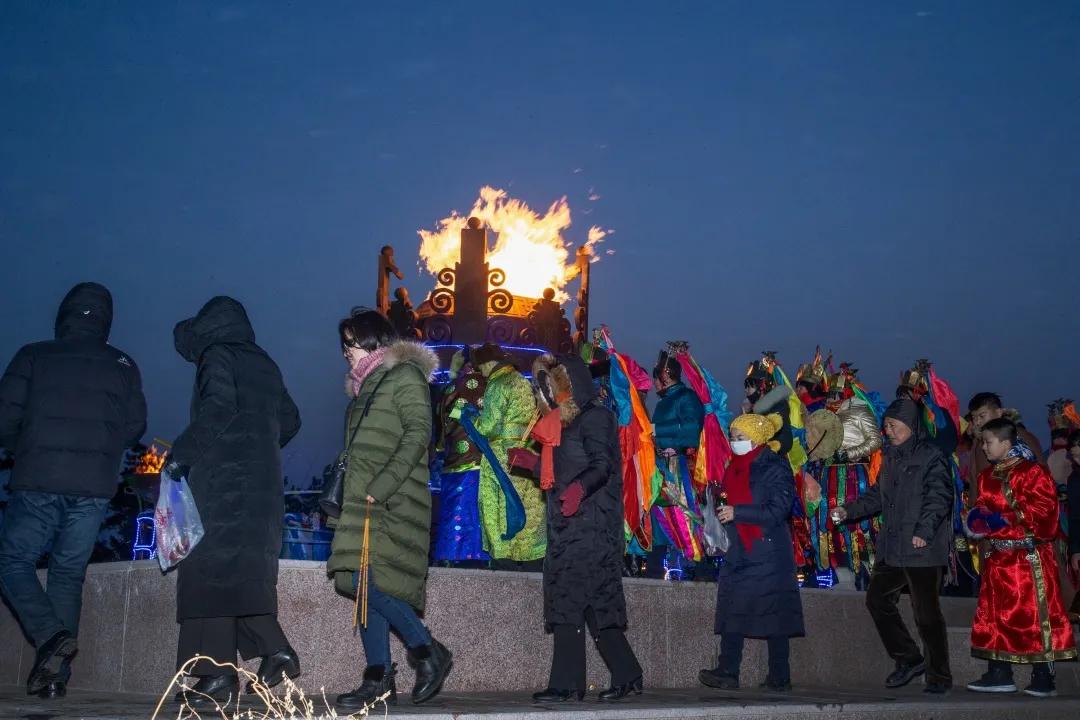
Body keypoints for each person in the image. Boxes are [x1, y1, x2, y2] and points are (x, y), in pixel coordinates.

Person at [0, 283, 146, 699]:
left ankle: (49, 635)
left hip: (38, 477)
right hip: (93, 486)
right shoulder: (122, 364)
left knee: (11, 561)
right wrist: (99, 449)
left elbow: (4, 415)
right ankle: (53, 678)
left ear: (64, 314)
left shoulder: (34, 355)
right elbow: (135, 425)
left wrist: (24, 446)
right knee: (67, 574)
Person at [169, 297, 302, 707]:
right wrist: (259, 444)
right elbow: (292, 419)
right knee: (237, 576)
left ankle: (217, 674)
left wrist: (180, 455)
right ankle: (273, 651)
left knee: (208, 573)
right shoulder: (265, 361)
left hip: (224, 483)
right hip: (261, 488)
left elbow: (218, 408)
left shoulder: (217, 355)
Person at [327, 309, 451, 710]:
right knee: (355, 582)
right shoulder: (365, 390)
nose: (346, 351)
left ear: (375, 342)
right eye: (344, 343)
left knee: (370, 583)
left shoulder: (404, 375)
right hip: (362, 501)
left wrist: (380, 487)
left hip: (391, 500)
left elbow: (419, 434)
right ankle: (379, 677)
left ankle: (427, 651)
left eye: (352, 341)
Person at [530, 354, 643, 702]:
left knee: (570, 601)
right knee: (594, 606)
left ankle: (567, 684)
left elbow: (602, 465)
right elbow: (559, 475)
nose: (548, 392)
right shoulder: (560, 424)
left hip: (591, 526)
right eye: (544, 386)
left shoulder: (595, 417)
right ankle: (628, 673)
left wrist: (579, 490)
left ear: (570, 383)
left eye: (553, 384)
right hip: (568, 526)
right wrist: (531, 465)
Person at [833, 398, 954, 693]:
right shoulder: (889, 457)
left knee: (926, 613)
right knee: (877, 599)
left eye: (894, 425)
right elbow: (877, 495)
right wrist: (849, 510)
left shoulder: (930, 455)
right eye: (886, 425)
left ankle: (939, 676)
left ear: (911, 425)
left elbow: (939, 494)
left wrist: (925, 530)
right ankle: (909, 658)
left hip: (921, 548)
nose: (888, 430)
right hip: (893, 546)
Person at [964, 418, 1077, 697]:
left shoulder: (1032, 473)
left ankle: (1043, 676)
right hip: (998, 561)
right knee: (994, 617)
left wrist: (1004, 521)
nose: (985, 448)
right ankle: (999, 673)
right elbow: (980, 508)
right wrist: (977, 521)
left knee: (1035, 616)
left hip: (1028, 559)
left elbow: (1045, 513)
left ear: (1005, 442)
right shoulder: (986, 476)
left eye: (989, 442)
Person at [699, 413, 804, 691]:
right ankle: (728, 670)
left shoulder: (775, 466)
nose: (735, 443)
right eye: (732, 437)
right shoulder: (733, 466)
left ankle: (779, 676)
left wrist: (738, 512)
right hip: (739, 549)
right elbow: (726, 500)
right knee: (734, 608)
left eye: (740, 437)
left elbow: (779, 508)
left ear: (756, 438)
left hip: (767, 550)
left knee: (774, 614)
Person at [471, 343, 545, 569]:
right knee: (527, 507)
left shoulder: (498, 384)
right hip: (527, 453)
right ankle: (529, 557)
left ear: (489, 364)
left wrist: (472, 421)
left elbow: (489, 426)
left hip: (502, 456)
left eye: (480, 367)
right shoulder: (522, 381)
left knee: (501, 508)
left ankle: (505, 559)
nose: (480, 372)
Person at [648, 349, 706, 577]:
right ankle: (654, 571)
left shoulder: (687, 397)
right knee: (660, 520)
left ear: (665, 375)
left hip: (678, 469)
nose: (654, 383)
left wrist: (657, 431)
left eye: (656, 377)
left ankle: (697, 571)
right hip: (661, 468)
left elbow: (693, 428)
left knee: (684, 520)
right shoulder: (664, 402)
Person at [967, 392, 1045, 489]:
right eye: (974, 417)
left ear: (999, 413)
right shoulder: (978, 440)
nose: (977, 422)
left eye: (982, 416)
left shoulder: (1017, 434)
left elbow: (1041, 470)